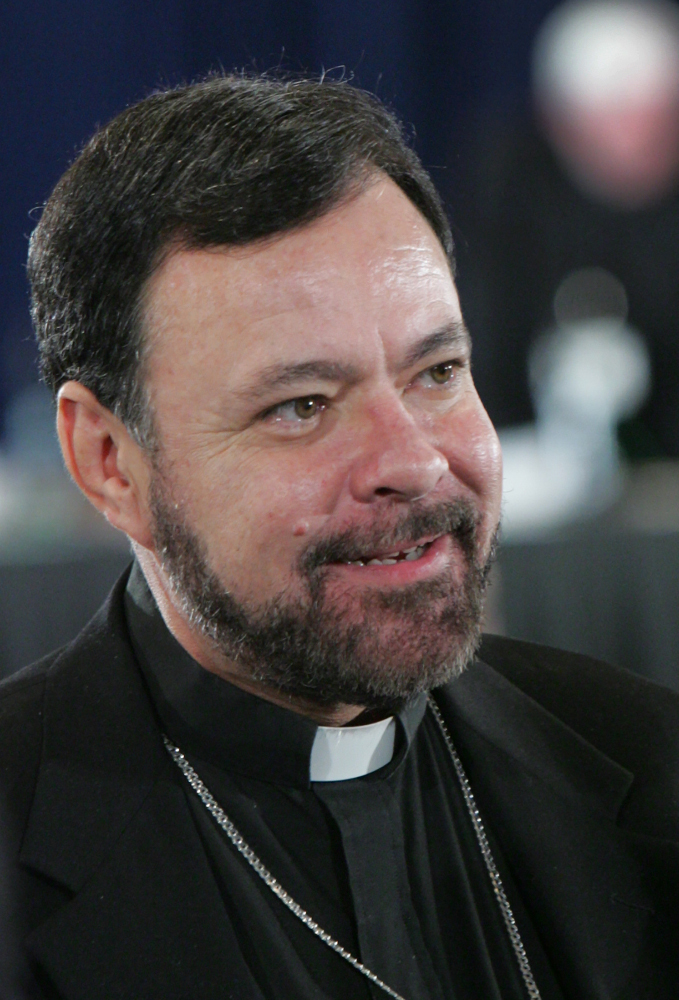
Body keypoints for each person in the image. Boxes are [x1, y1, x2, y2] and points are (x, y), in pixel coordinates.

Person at [0, 75, 677, 1000]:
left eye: (437, 371)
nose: (414, 462)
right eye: (302, 406)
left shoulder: (649, 764)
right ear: (110, 461)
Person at [456, 0, 679, 458]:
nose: (633, 143)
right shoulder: (506, 199)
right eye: (614, 120)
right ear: (561, 122)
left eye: (653, 120)